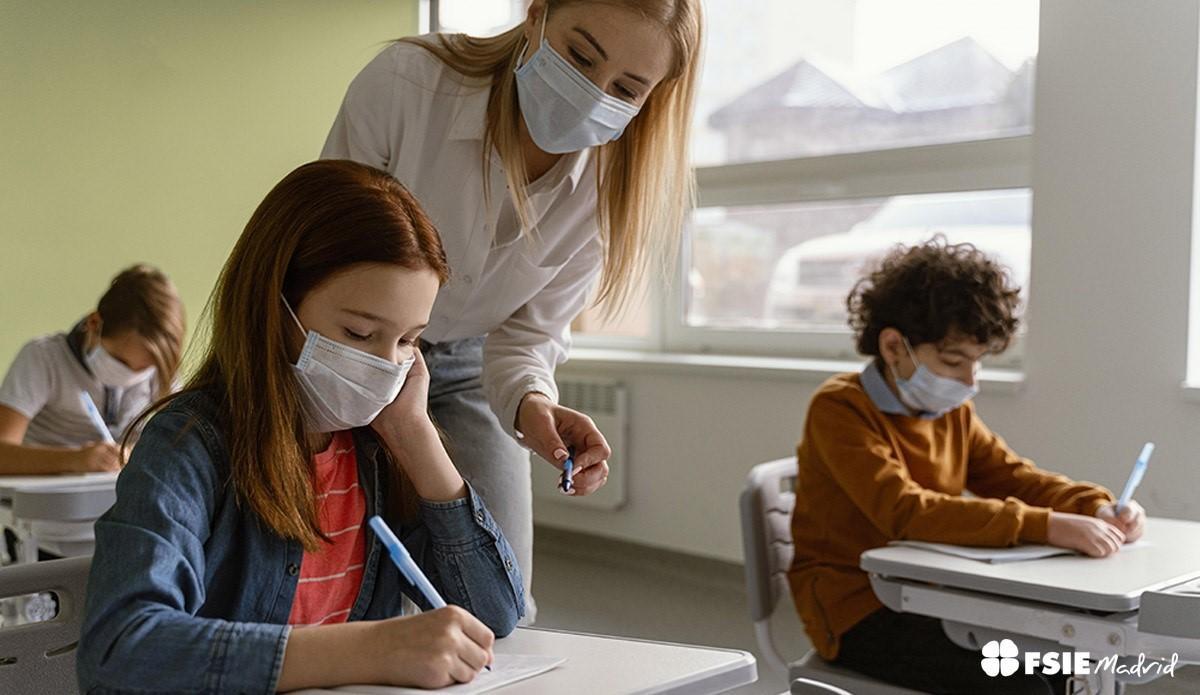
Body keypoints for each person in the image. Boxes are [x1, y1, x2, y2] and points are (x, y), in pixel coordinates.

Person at [77, 161, 523, 692]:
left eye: (408, 341)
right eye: (359, 333)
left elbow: (495, 614)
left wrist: (416, 435)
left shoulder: (376, 451)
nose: (386, 366)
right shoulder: (189, 444)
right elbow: (119, 648)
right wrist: (369, 649)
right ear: (275, 307)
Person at [321, 0, 703, 617]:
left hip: (468, 365)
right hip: (350, 345)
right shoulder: (409, 83)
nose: (590, 93)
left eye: (626, 89)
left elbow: (527, 336)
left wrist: (534, 406)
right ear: (537, 14)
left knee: (502, 608)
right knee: (343, 588)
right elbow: (323, 250)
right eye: (580, 55)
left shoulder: (615, 184)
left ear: (650, 98)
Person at [788, 238, 1146, 695]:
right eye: (953, 361)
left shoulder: (949, 411)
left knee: (1063, 664)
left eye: (977, 362)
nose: (969, 380)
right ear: (894, 346)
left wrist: (1095, 506)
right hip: (855, 608)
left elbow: (1011, 475)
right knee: (1025, 685)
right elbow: (905, 512)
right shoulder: (839, 410)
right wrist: (1050, 526)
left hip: (932, 591)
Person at [0, 264, 184, 475]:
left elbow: (184, 444)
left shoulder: (162, 368)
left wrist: (137, 454)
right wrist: (75, 460)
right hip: (49, 500)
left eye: (144, 368)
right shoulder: (43, 358)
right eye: (120, 361)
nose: (132, 375)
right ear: (95, 323)